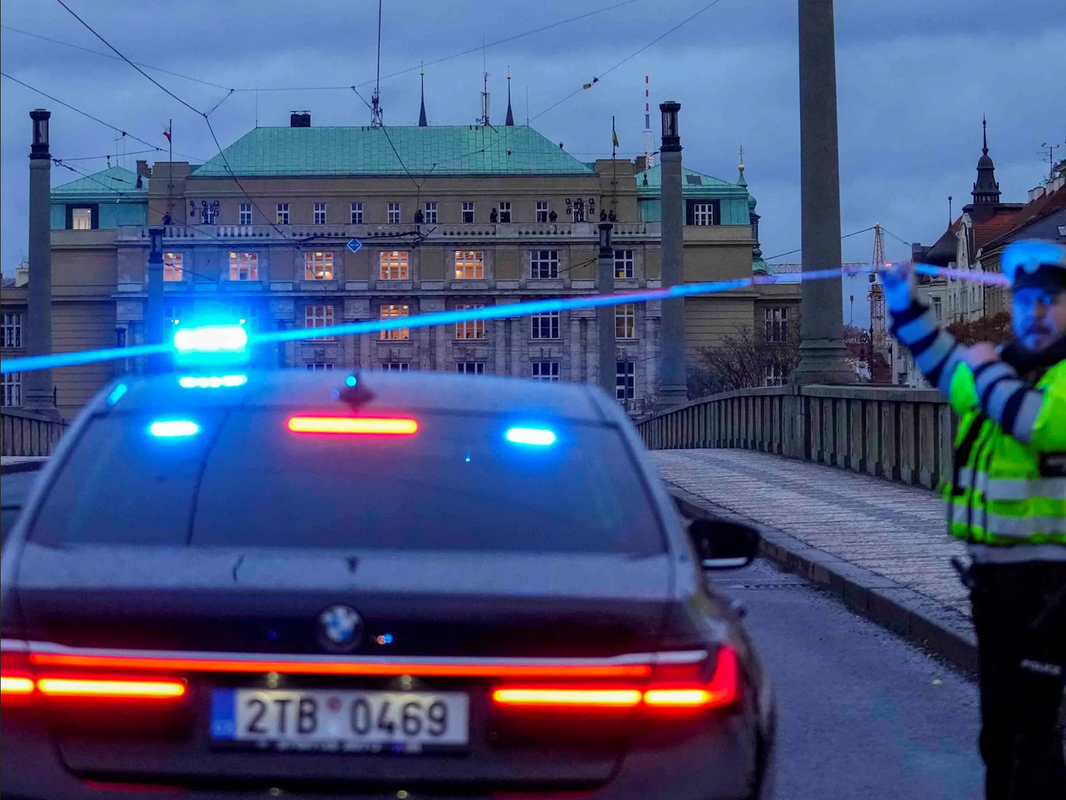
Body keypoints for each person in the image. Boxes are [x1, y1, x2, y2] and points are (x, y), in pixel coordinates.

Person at [882, 239, 1065, 800]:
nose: (1034, 313)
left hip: (1052, 587)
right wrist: (904, 302)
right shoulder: (1006, 367)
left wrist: (986, 373)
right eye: (1025, 301)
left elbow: (1038, 425)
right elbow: (942, 366)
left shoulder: (1039, 377)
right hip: (996, 581)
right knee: (1001, 729)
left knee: (1031, 730)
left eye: (1050, 301)